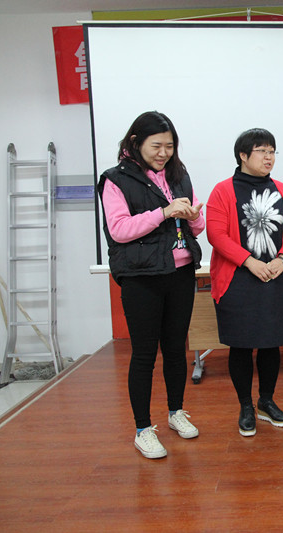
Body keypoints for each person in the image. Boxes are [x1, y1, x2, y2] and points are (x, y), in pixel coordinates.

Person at [98, 111, 205, 459]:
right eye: (156, 146)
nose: (164, 153)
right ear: (135, 142)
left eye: (169, 146)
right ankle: (143, 429)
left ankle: (176, 412)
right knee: (144, 354)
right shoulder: (115, 179)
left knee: (176, 349)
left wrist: (193, 217)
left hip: (180, 272)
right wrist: (164, 212)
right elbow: (119, 230)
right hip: (141, 277)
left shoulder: (178, 174)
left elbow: (195, 226)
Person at [206, 128, 283, 437]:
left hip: (275, 277)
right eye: (262, 151)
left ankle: (266, 401)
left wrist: (282, 259)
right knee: (241, 345)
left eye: (272, 151)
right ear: (243, 156)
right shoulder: (223, 190)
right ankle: (245, 406)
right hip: (238, 280)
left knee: (272, 344)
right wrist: (249, 261)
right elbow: (216, 234)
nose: (269, 157)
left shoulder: (282, 190)